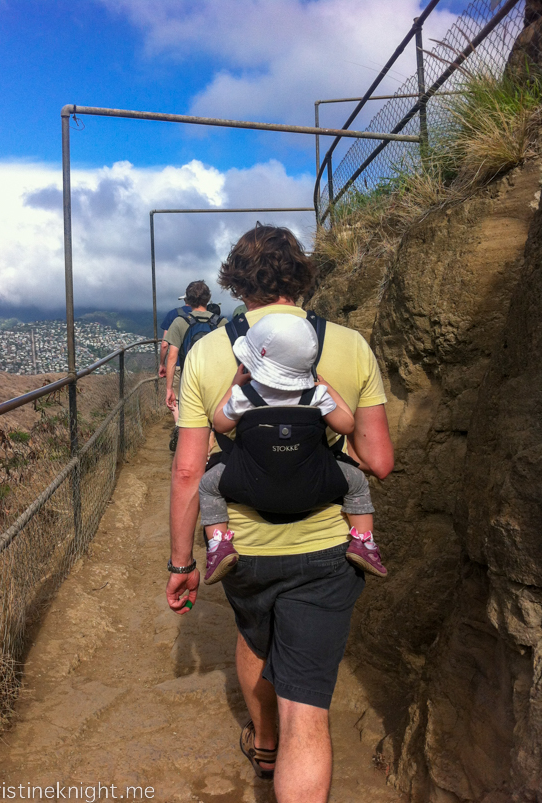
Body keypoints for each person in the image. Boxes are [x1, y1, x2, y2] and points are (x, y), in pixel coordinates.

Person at [166, 225, 394, 803]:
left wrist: (180, 561)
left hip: (242, 546)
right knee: (308, 717)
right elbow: (379, 462)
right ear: (302, 277)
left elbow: (190, 472)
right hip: (328, 548)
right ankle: (285, 734)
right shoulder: (349, 345)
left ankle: (264, 742)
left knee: (255, 637)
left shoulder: (211, 351)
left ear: (236, 282)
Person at [198, 313, 386, 585]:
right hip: (314, 485)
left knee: (208, 486)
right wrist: (328, 388)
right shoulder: (316, 396)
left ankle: (218, 546)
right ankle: (364, 544)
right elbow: (346, 425)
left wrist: (234, 386)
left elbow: (219, 423)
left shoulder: (245, 397)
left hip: (252, 484)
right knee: (356, 483)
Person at [164, 281, 227, 451]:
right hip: (216, 381)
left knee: (192, 424)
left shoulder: (180, 322)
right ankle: (210, 450)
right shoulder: (221, 323)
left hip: (189, 381)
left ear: (188, 300)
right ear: (208, 299)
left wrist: (169, 388)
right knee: (213, 418)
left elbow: (172, 356)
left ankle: (191, 452)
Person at [159, 295, 192, 449]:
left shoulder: (174, 314)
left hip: (178, 363)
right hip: (198, 365)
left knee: (176, 399)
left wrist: (162, 363)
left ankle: (180, 427)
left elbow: (165, 344)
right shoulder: (210, 317)